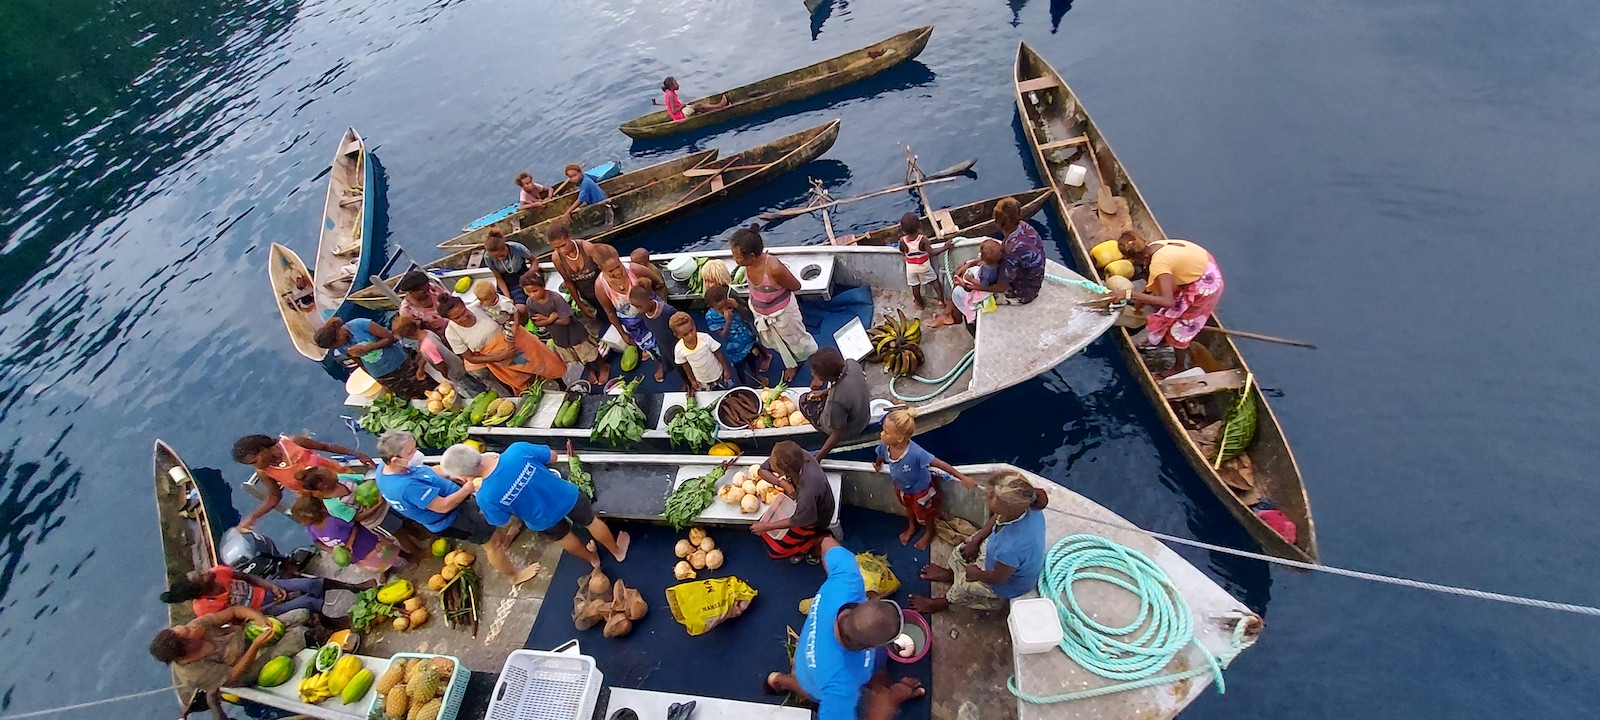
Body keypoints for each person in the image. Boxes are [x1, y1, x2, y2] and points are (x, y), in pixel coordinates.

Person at [762, 536, 925, 720]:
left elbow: (825, 542)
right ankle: (783, 682)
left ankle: (778, 680)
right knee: (817, 692)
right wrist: (884, 707)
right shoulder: (841, 687)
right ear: (870, 647)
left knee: (876, 668)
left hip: (815, 658)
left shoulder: (848, 580)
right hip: (818, 678)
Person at [374, 430, 544, 585]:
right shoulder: (406, 487)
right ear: (396, 459)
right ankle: (514, 576)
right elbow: (443, 506)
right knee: (490, 544)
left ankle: (504, 539)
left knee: (487, 525)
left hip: (457, 503)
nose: (417, 454)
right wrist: (467, 489)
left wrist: (450, 474)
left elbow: (425, 471)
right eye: (411, 452)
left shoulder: (386, 468)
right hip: (454, 518)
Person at [440, 442, 630, 569]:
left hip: (541, 519)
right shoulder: (517, 450)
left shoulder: (485, 496)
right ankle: (617, 551)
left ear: (465, 476)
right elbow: (553, 456)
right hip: (564, 495)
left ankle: (593, 559)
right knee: (591, 522)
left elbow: (502, 521)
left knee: (564, 537)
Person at [909, 472, 1048, 614]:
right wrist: (976, 540)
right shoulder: (1024, 505)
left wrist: (978, 574)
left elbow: (999, 578)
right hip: (997, 555)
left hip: (1005, 581)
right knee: (961, 551)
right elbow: (999, 517)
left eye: (989, 499)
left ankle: (943, 602)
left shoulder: (1011, 547)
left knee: (964, 585)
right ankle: (951, 574)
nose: (985, 499)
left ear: (1007, 508)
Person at [150, 606, 314, 718]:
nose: (191, 626)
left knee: (301, 614)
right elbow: (233, 675)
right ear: (187, 647)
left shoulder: (197, 626)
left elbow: (234, 611)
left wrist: (259, 620)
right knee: (298, 636)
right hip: (245, 669)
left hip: (247, 637)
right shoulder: (194, 674)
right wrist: (256, 646)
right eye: (188, 632)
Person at [1108, 230, 1224, 376]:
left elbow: (1167, 301)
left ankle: (1179, 366)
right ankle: (1162, 339)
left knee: (1180, 329)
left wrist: (1129, 294)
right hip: (1198, 270)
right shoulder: (1154, 248)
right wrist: (1141, 300)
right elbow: (1155, 280)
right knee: (1169, 313)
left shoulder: (1159, 264)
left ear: (1138, 258)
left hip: (1206, 285)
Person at [873, 409, 977, 549]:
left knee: (926, 513)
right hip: (901, 487)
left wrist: (962, 477)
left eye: (885, 431)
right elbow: (880, 455)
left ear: (899, 438)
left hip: (921, 491)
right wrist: (878, 464)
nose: (881, 434)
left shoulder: (916, 453)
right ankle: (912, 526)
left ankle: (929, 531)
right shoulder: (885, 446)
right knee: (907, 507)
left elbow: (938, 463)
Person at [231, 434, 372, 533]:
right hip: (327, 502)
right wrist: (253, 517)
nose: (256, 466)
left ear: (263, 450)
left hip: (345, 481)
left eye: (255, 461)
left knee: (371, 497)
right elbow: (274, 497)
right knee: (360, 518)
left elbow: (325, 446)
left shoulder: (293, 442)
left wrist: (359, 455)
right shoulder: (265, 473)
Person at [730, 224, 816, 382]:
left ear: (751, 256)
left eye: (737, 257)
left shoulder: (774, 268)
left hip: (783, 315)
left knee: (797, 341)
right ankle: (792, 364)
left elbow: (796, 286)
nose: (734, 259)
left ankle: (815, 368)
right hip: (763, 315)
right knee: (779, 343)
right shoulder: (747, 266)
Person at [295, 465, 425, 561]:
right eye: (329, 474)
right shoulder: (333, 505)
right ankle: (417, 552)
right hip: (376, 520)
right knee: (400, 533)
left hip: (384, 505)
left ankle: (419, 534)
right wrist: (378, 505)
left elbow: (362, 481)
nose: (333, 473)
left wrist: (377, 491)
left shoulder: (341, 478)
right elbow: (356, 518)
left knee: (404, 522)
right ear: (322, 485)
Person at [440, 294, 565, 394]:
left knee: (546, 367)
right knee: (529, 383)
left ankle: (564, 389)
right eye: (457, 318)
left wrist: (514, 322)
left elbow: (506, 305)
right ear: (449, 319)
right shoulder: (452, 333)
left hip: (521, 343)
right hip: (501, 359)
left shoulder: (479, 307)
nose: (464, 317)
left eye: (464, 311)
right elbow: (471, 357)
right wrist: (501, 356)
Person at [159, 565, 370, 617]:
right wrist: (273, 605)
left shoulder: (219, 572)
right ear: (200, 591)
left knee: (312, 584)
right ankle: (336, 621)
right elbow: (239, 621)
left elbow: (248, 577)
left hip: (267, 590)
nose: (207, 572)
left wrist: (271, 586)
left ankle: (354, 588)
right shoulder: (205, 608)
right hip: (264, 610)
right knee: (306, 603)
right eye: (202, 577)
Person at [750, 441, 836, 563]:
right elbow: (761, 471)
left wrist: (767, 527)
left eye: (772, 462)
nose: (769, 462)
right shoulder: (795, 456)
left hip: (817, 516)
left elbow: (800, 520)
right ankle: (803, 545)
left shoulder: (808, 490)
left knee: (777, 550)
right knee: (769, 529)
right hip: (802, 506)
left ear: (783, 468)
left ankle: (818, 540)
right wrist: (783, 483)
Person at [314, 316, 432, 400]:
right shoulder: (341, 347)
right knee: (410, 396)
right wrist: (377, 380)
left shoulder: (360, 325)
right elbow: (359, 362)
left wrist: (368, 348)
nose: (339, 346)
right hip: (383, 375)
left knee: (426, 386)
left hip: (400, 363)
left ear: (338, 333)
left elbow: (391, 338)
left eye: (336, 343)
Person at [525, 273, 608, 384]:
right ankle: (591, 370)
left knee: (589, 352)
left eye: (535, 291)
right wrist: (549, 319)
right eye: (529, 292)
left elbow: (566, 320)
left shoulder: (555, 299)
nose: (532, 295)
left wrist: (545, 320)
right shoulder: (530, 303)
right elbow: (536, 323)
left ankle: (603, 367)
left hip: (574, 333)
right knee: (577, 356)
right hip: (559, 336)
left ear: (543, 286)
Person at [289, 495, 404, 574]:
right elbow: (316, 542)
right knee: (375, 564)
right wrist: (330, 550)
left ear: (315, 514)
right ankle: (386, 570)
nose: (303, 523)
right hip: (354, 555)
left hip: (367, 543)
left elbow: (355, 526)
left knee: (387, 552)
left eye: (304, 520)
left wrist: (350, 542)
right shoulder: (311, 527)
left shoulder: (334, 520)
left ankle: (408, 556)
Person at [391, 314, 489, 396]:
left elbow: (439, 362)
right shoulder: (427, 333)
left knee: (473, 389)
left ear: (409, 336)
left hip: (454, 371)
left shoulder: (426, 346)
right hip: (457, 363)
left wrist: (444, 374)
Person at [972, 196, 1045, 305]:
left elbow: (1001, 287)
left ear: (998, 222)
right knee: (984, 260)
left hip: (1023, 293)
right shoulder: (1024, 226)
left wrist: (976, 286)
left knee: (970, 295)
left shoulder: (1011, 251)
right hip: (1033, 280)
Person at [799, 348, 870, 459]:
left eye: (814, 373)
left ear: (825, 377)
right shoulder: (852, 364)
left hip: (852, 428)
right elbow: (847, 388)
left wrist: (818, 457)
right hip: (864, 416)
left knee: (804, 399)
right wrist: (825, 392)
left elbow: (838, 432)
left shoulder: (836, 401)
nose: (812, 374)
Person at [593, 244, 667, 351]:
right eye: (611, 271)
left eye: (618, 266)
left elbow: (656, 282)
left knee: (665, 335)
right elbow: (610, 312)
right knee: (650, 346)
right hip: (633, 322)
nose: (617, 272)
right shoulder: (600, 287)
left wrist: (648, 296)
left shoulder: (635, 270)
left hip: (652, 311)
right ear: (601, 268)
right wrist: (622, 333)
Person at [704, 284, 772, 386]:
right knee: (740, 368)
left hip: (748, 339)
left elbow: (747, 314)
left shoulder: (732, 304)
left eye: (725, 305)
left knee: (751, 359)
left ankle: (756, 375)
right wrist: (728, 322)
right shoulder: (711, 317)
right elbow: (723, 336)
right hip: (735, 350)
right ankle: (744, 384)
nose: (724, 309)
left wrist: (737, 306)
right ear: (711, 307)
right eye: (719, 308)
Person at [895, 212, 955, 325]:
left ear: (903, 230)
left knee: (915, 287)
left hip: (911, 268)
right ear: (919, 226)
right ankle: (941, 301)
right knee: (935, 282)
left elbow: (902, 250)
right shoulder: (923, 239)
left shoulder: (902, 241)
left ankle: (919, 303)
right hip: (924, 266)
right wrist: (944, 247)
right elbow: (931, 253)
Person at [670, 311, 735, 395]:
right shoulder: (679, 349)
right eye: (685, 334)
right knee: (709, 396)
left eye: (691, 330)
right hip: (702, 380)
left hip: (719, 373)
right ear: (678, 335)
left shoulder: (705, 338)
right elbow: (685, 365)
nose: (690, 335)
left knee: (728, 392)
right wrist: (692, 380)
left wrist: (726, 369)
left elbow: (718, 354)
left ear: (694, 325)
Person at [548, 222, 603, 315]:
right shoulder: (557, 258)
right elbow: (569, 282)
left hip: (604, 292)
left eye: (563, 245)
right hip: (588, 297)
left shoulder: (587, 248)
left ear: (569, 237)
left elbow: (604, 271)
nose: (562, 250)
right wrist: (580, 304)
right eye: (557, 248)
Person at [632, 284, 683, 383]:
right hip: (663, 345)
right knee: (673, 364)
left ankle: (690, 382)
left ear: (650, 298)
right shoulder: (643, 314)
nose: (638, 310)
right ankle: (684, 380)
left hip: (677, 345)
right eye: (635, 307)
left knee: (683, 365)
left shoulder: (667, 311)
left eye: (639, 306)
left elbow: (681, 324)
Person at [947, 239, 1004, 328]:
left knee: (958, 289)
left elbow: (983, 285)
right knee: (962, 268)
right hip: (983, 274)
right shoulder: (994, 263)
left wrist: (970, 280)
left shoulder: (987, 274)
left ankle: (954, 316)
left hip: (982, 284)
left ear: (984, 258)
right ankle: (949, 314)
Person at [483, 229, 534, 310]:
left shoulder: (517, 248)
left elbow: (534, 261)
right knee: (502, 307)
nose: (500, 259)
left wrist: (529, 275)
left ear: (505, 247)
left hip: (521, 276)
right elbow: (499, 279)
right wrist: (508, 298)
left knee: (520, 308)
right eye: (496, 257)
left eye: (502, 255)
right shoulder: (487, 257)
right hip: (505, 281)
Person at [395, 270, 450, 336]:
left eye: (428, 286)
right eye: (424, 291)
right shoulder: (406, 311)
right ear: (411, 291)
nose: (428, 292)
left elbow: (450, 299)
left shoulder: (432, 288)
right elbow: (415, 333)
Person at [561, 163, 613, 227]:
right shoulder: (585, 175)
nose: (573, 179)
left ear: (580, 172)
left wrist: (568, 211)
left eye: (575, 175)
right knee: (577, 208)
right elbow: (595, 178)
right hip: (599, 200)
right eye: (570, 177)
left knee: (579, 213)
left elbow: (580, 200)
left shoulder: (585, 183)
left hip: (600, 204)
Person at [658, 76, 729, 122]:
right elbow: (673, 111)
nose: (678, 84)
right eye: (675, 83)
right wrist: (681, 106)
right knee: (699, 105)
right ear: (671, 86)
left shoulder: (669, 93)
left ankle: (716, 109)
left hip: (680, 113)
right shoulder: (670, 95)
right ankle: (720, 106)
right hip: (679, 116)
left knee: (696, 107)